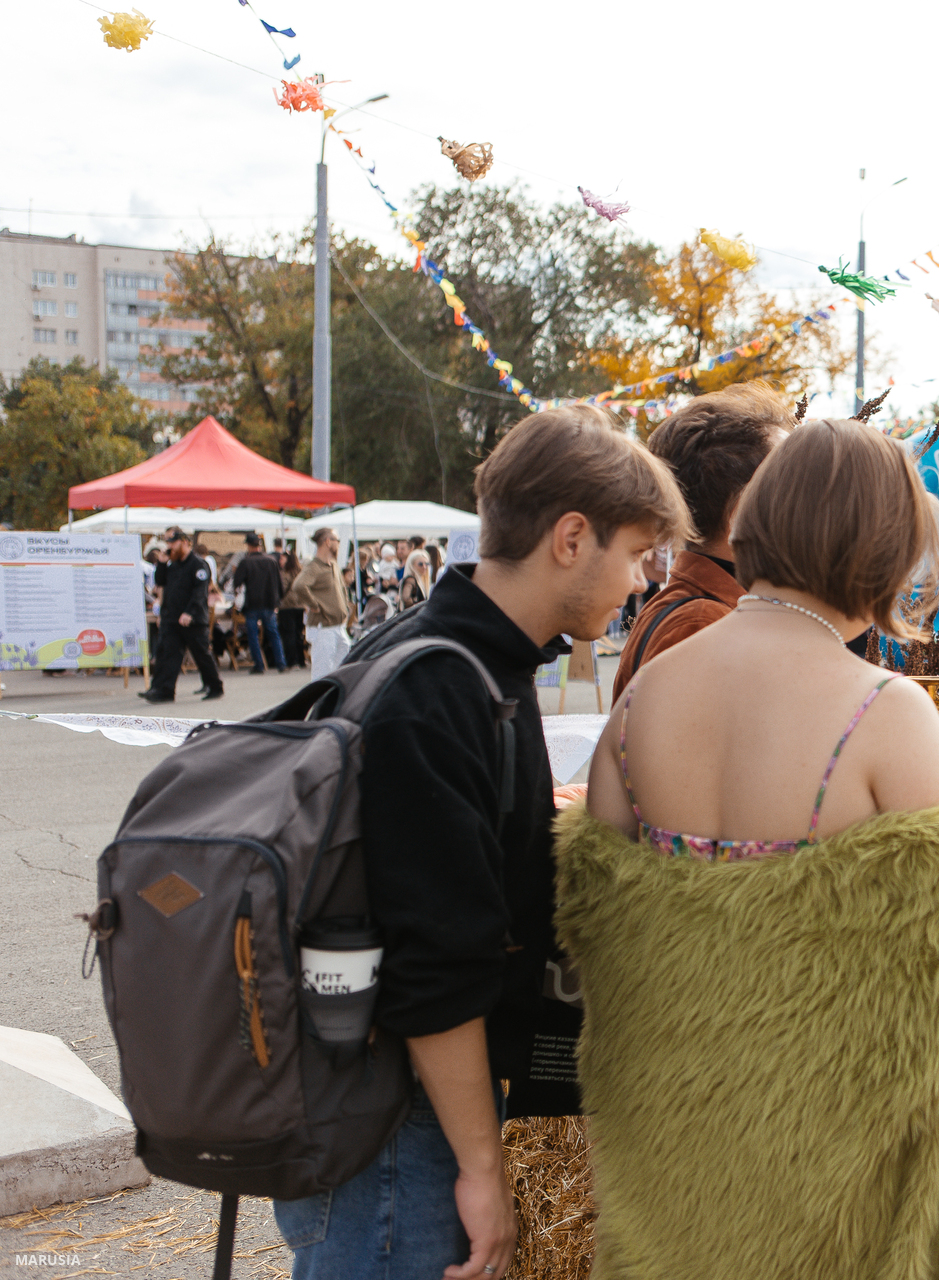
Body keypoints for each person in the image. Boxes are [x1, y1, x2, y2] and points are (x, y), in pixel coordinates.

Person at [560, 417, 939, 1280]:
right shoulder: (885, 710)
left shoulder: (644, 696)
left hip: (671, 1162)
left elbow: (601, 933)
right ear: (883, 549)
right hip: (839, 1190)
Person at [270, 404, 691, 1279]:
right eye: (634, 554)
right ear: (571, 538)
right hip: (395, 1128)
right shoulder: (443, 689)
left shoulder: (446, 653)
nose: (638, 584)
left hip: (381, 1105)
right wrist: (481, 1169)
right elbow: (434, 969)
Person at [612, 381, 793, 695]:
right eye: (788, 485)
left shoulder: (706, 608)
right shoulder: (702, 623)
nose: (803, 502)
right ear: (741, 515)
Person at [139, 527, 224, 704]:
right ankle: (162, 690)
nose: (169, 546)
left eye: (173, 542)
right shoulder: (173, 564)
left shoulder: (198, 564)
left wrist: (190, 612)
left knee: (201, 654)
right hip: (172, 618)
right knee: (166, 654)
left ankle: (215, 686)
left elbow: (200, 592)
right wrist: (162, 564)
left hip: (192, 619)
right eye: (168, 542)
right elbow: (160, 583)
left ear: (184, 542)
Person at [282, 526, 354, 680]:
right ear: (328, 541)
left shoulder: (333, 564)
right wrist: (314, 604)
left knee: (343, 672)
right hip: (324, 627)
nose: (338, 544)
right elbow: (299, 585)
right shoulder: (314, 566)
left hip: (338, 626)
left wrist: (345, 605)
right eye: (337, 540)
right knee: (322, 673)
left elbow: (342, 588)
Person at [231, 532, 287, 675]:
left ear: (249, 546)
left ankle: (259, 664)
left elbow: (236, 582)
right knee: (273, 633)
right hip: (269, 603)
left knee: (253, 635)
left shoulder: (246, 562)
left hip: (252, 603)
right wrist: (279, 599)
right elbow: (280, 583)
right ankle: (281, 663)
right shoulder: (271, 561)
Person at [277, 543, 307, 668]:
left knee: (289, 634)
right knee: (299, 633)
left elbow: (282, 588)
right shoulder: (301, 572)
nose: (280, 560)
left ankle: (292, 660)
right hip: (300, 605)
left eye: (282, 558)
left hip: (287, 605)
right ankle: (301, 659)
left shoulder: (286, 573)